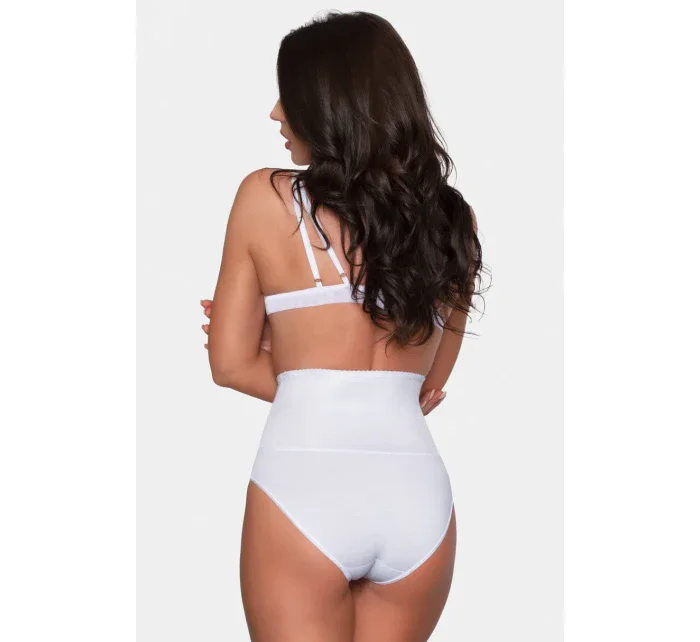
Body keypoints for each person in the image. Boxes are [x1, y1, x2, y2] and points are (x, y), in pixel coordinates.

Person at [200, 11, 482, 642]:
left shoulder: (266, 198)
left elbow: (229, 364)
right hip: (417, 497)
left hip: (304, 487)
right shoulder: (452, 224)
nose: (277, 113)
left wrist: (292, 363)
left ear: (331, 104)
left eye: (289, 95)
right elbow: (424, 389)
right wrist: (344, 376)